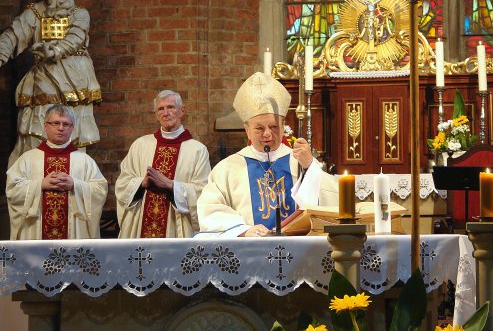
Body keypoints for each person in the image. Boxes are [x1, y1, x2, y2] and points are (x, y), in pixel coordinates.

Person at [197, 72, 337, 237]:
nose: (267, 134)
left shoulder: (298, 160)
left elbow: (332, 203)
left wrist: (309, 167)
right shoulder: (227, 168)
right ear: (247, 130)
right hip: (250, 253)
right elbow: (210, 209)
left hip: (298, 250)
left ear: (283, 125)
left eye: (274, 127)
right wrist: (242, 230)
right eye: (259, 128)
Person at [0, 0, 102, 166]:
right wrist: (2, 50)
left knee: (74, 136)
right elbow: (13, 34)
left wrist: (53, 50)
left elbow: (74, 39)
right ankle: (31, 179)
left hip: (77, 80)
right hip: (44, 77)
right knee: (34, 133)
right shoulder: (36, 12)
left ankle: (73, 180)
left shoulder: (80, 14)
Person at [115, 90, 211, 238]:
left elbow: (203, 191)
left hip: (176, 227)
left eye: (171, 107)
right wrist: (141, 183)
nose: (166, 113)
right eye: (161, 109)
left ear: (181, 111)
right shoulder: (140, 145)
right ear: (156, 114)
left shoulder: (197, 150)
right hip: (141, 225)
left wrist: (171, 185)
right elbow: (122, 184)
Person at [5, 104, 107, 240]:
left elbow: (100, 190)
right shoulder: (28, 158)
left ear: (72, 129)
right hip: (36, 231)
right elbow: (12, 189)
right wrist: (40, 184)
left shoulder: (84, 160)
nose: (61, 128)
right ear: (45, 126)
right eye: (56, 123)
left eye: (66, 124)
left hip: (73, 235)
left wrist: (75, 185)